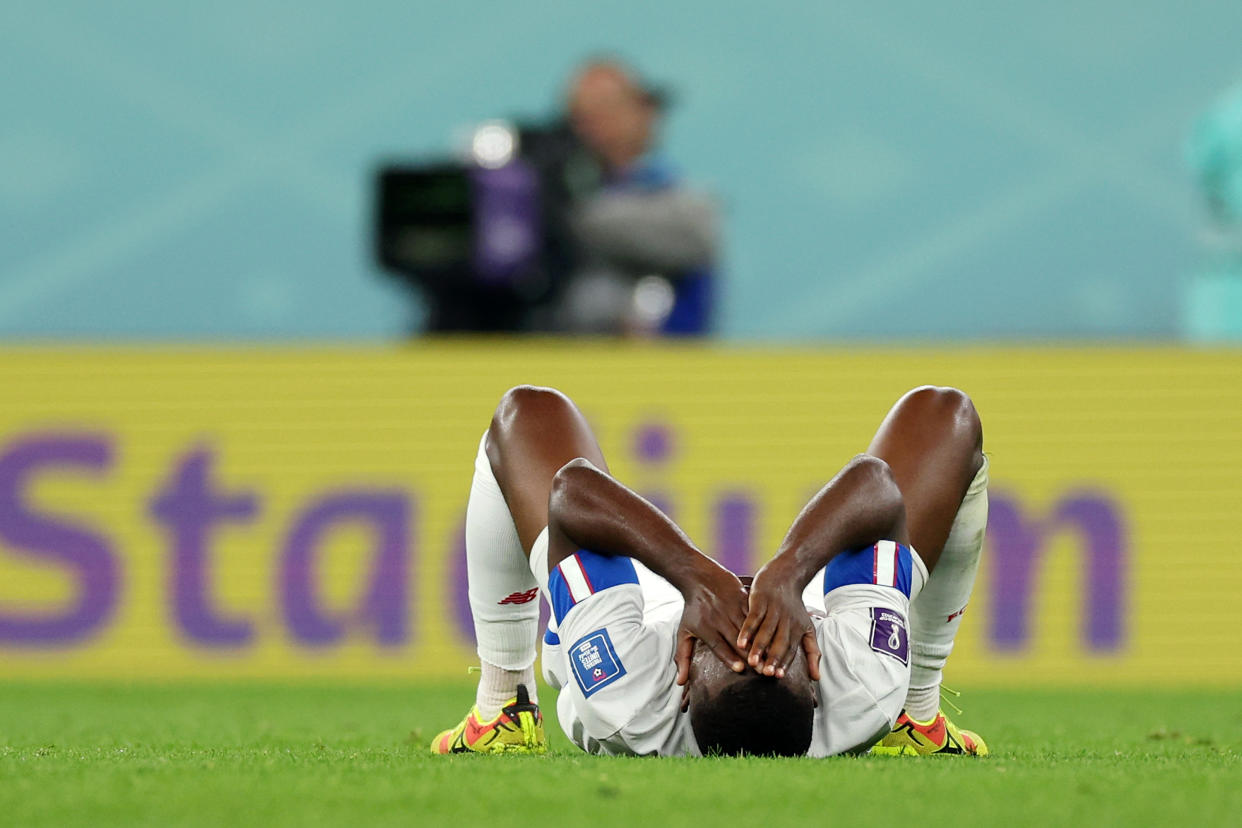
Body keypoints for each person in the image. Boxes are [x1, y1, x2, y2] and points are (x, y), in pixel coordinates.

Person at [431, 384, 989, 757]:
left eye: (727, 645)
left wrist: (692, 577)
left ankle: (503, 705)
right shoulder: (862, 681)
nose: (747, 617)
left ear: (685, 688)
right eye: (770, 644)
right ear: (815, 680)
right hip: (798, 613)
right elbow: (877, 486)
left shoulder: (627, 694)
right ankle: (917, 718)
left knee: (524, 413)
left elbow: (571, 492)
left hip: (634, 615)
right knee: (947, 413)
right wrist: (792, 571)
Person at [556, 59, 718, 336]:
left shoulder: (665, 188)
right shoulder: (564, 186)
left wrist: (566, 214)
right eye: (589, 113)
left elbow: (698, 235)